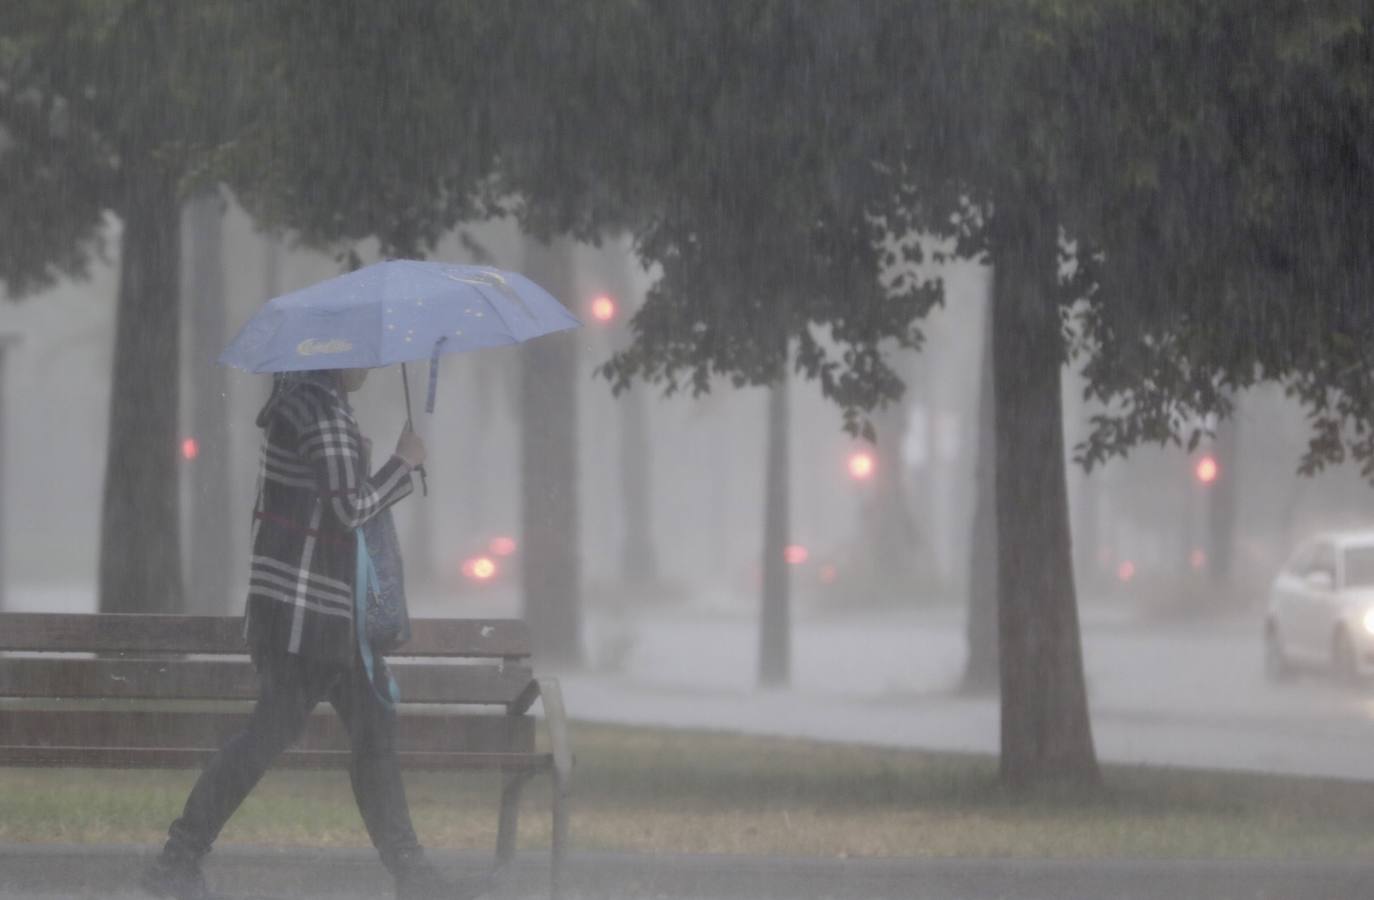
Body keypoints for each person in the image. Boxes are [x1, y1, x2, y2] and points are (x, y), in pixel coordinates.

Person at [141, 367, 478, 900]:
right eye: (363, 354)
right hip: (311, 617)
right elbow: (349, 509)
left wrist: (360, 456)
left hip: (306, 612)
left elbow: (322, 502)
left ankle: (412, 875)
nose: (371, 365)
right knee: (303, 739)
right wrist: (403, 464)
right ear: (338, 356)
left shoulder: (303, 404)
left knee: (360, 737)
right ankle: (177, 859)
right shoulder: (321, 412)